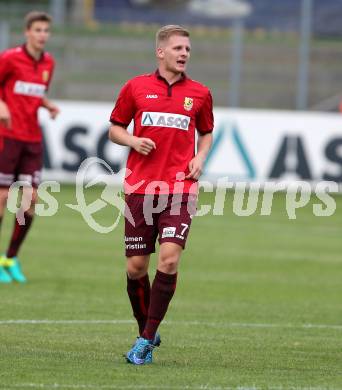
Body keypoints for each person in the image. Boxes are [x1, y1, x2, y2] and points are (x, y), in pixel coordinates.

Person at [109, 25, 214, 365]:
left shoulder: (200, 93)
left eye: (188, 49)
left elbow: (206, 132)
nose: (184, 53)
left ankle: (142, 343)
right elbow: (114, 128)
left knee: (169, 258)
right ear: (161, 51)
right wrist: (132, 141)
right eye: (178, 48)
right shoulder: (136, 87)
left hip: (180, 189)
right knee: (136, 268)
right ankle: (148, 330)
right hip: (140, 189)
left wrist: (200, 156)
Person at [0, 11, 59, 283]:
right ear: (27, 32)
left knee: (30, 200)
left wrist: (47, 105)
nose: (42, 35)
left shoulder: (48, 63)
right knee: (1, 199)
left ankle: (10, 258)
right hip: (7, 137)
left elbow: (35, 91)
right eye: (38, 30)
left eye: (46, 30)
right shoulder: (10, 58)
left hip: (32, 139)